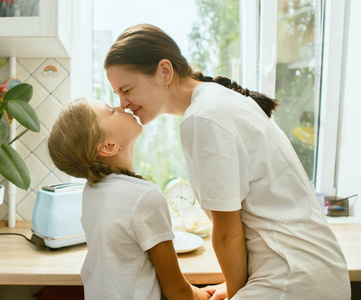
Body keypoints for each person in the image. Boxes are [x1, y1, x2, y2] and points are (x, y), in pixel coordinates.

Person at [104, 24, 351, 299]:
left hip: (293, 279)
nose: (123, 104)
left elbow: (227, 233)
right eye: (117, 95)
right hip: (307, 270)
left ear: (164, 71)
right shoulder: (214, 102)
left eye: (127, 89)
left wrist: (235, 292)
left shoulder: (204, 117)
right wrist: (235, 286)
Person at [47, 97, 211, 300]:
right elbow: (175, 289)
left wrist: (199, 293)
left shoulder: (93, 190)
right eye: (111, 111)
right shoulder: (143, 196)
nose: (121, 106)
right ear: (108, 145)